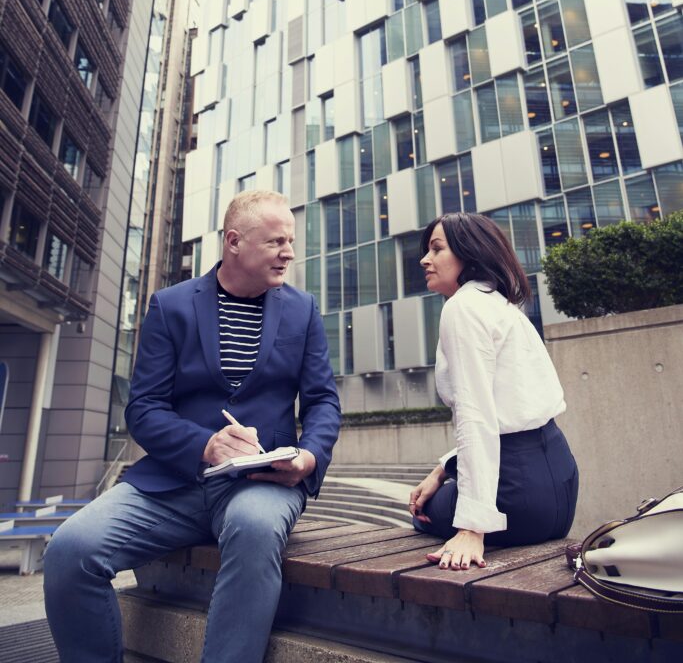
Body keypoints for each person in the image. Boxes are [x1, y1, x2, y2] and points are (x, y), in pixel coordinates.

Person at [44, 190, 341, 663]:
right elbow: (143, 409)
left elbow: (324, 400)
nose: (289, 252)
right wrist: (207, 445)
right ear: (234, 242)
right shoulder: (171, 306)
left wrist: (307, 458)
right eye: (276, 241)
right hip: (172, 484)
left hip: (262, 483)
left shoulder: (303, 311)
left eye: (291, 240)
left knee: (253, 528)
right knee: (69, 549)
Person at [409, 212, 578, 572]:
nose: (424, 259)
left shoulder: (462, 309)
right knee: (437, 492)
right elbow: (507, 412)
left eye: (436, 249)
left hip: (515, 496)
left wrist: (473, 527)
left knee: (422, 513)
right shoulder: (501, 305)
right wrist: (443, 468)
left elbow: (476, 416)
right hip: (561, 491)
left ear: (469, 254)